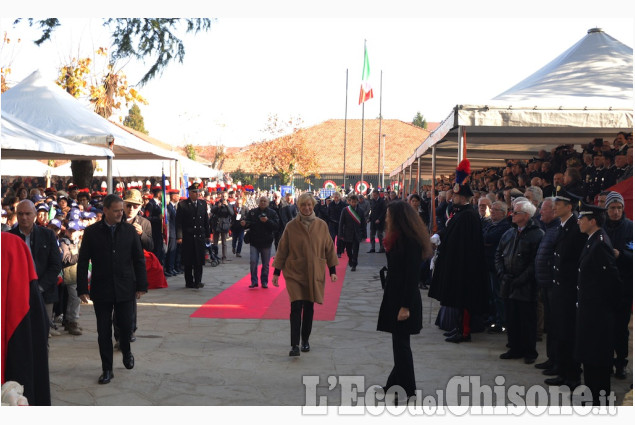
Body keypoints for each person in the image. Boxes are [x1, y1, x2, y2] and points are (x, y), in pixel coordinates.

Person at [77, 194, 148, 385]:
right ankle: (107, 368)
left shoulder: (129, 231)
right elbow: (83, 261)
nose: (120, 213)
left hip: (125, 288)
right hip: (102, 288)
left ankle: (126, 351)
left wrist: (141, 285)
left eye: (121, 210)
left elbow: (139, 259)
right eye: (116, 210)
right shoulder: (92, 232)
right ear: (105, 210)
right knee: (103, 331)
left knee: (125, 327)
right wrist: (82, 288)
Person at [376, 200, 433, 403]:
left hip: (403, 299)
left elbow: (411, 277)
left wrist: (405, 306)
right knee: (399, 344)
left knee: (401, 346)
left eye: (389, 215)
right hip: (395, 295)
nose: (386, 218)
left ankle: (409, 390)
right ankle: (393, 384)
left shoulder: (410, 241)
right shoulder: (399, 237)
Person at [428, 160, 489, 343]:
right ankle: (456, 327)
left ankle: (464, 331)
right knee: (456, 299)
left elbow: (466, 244)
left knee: (464, 301)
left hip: (465, 265)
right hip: (456, 262)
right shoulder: (461, 214)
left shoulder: (468, 216)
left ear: (462, 198)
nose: (452, 199)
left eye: (455, 197)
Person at [272, 192, 338, 356]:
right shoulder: (291, 226)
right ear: (298, 207)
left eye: (309, 205)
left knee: (309, 307)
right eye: (303, 205)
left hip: (314, 271)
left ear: (313, 206)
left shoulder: (322, 225)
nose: (307, 208)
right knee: (296, 307)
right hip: (294, 272)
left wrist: (332, 270)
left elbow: (329, 248)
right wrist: (276, 272)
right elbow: (282, 249)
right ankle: (294, 345)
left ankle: (305, 340)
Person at [575, 203, 621, 406]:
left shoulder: (600, 243)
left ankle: (600, 400)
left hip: (598, 313)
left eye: (582, 218)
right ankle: (592, 396)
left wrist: (605, 310)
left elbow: (612, 281)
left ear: (592, 221)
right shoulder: (591, 240)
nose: (579, 221)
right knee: (590, 356)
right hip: (590, 310)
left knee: (598, 359)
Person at [544, 189, 587, 390]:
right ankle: (562, 371)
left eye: (559, 204)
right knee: (559, 330)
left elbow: (576, 259)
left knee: (569, 332)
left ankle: (572, 375)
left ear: (570, 207)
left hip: (569, 288)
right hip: (559, 286)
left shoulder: (576, 228)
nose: (555, 207)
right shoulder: (564, 226)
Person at [495, 200, 544, 364]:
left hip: (526, 286)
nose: (512, 215)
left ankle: (529, 352)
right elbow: (499, 254)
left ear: (526, 215)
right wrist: (502, 273)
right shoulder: (509, 233)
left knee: (527, 320)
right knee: (512, 318)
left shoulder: (537, 234)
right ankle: (514, 348)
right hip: (508, 283)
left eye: (515, 213)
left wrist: (520, 279)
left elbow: (534, 262)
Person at [8, 200, 63, 338]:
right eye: (20, 214)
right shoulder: (9, 237)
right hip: (17, 293)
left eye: (27, 213)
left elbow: (56, 264)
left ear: (35, 215)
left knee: (42, 335)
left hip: (44, 291)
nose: (24, 217)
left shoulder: (48, 235)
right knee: (20, 336)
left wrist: (40, 287)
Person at [603, 191, 633, 380]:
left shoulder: (630, 227)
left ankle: (621, 362)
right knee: (604, 327)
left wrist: (620, 255)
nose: (615, 211)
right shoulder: (601, 226)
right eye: (612, 208)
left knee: (621, 328)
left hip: (623, 285)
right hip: (603, 284)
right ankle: (605, 361)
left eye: (619, 208)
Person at [532, 197, 561, 373]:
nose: (540, 212)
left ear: (554, 211)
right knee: (551, 325)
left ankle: (557, 360)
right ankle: (552, 358)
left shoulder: (557, 230)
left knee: (556, 326)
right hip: (545, 282)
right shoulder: (549, 228)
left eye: (543, 209)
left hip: (553, 284)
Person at [482, 201, 511, 334]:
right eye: (491, 209)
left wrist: (486, 241)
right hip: (488, 263)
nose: (492, 211)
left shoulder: (504, 226)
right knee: (491, 294)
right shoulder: (490, 224)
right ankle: (493, 317)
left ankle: (501, 321)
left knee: (498, 295)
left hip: (497, 266)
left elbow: (489, 238)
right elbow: (482, 236)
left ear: (503, 213)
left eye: (495, 210)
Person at [175, 183, 211, 289]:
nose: (197, 194)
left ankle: (198, 281)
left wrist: (208, 235)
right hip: (188, 236)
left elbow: (205, 220)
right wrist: (179, 236)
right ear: (189, 193)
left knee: (199, 260)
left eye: (198, 192)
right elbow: (179, 223)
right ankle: (189, 282)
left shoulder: (202, 204)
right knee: (188, 260)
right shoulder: (183, 205)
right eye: (194, 192)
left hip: (199, 236)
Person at [242, 196, 279, 288]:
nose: (263, 202)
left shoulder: (272, 213)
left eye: (265, 201)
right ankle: (254, 281)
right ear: (258, 202)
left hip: (266, 242)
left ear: (268, 202)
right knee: (253, 262)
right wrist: (244, 224)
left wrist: (267, 221)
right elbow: (248, 223)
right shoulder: (253, 212)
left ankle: (264, 281)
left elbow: (276, 226)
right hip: (254, 241)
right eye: (261, 201)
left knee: (265, 264)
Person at [337, 194, 364, 271]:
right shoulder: (345, 210)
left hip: (357, 233)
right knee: (348, 250)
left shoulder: (360, 211)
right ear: (349, 202)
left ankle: (354, 264)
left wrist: (363, 234)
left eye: (355, 202)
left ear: (357, 202)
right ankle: (351, 259)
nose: (354, 203)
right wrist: (340, 234)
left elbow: (363, 223)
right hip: (347, 233)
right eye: (352, 202)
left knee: (356, 250)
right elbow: (341, 223)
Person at [210, 191, 234, 262]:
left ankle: (224, 257)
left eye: (225, 196)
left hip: (224, 225)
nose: (224, 198)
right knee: (215, 242)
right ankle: (215, 256)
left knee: (224, 242)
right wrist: (218, 206)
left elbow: (232, 213)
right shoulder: (217, 203)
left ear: (227, 197)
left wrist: (226, 205)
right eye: (223, 196)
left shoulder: (229, 204)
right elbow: (212, 210)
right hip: (217, 225)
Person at [164, 189, 181, 275]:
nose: (178, 197)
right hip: (171, 233)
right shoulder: (169, 207)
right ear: (173, 196)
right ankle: (169, 268)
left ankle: (172, 267)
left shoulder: (173, 207)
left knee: (173, 252)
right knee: (171, 251)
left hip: (174, 233)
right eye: (177, 195)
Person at [327, 191, 347, 257]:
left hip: (340, 224)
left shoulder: (343, 205)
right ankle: (331, 252)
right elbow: (328, 213)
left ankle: (339, 252)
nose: (335, 198)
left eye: (337, 197)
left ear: (339, 197)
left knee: (339, 239)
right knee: (332, 238)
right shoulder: (331, 204)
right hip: (332, 223)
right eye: (334, 197)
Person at [367, 189, 386, 253]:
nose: (374, 196)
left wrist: (379, 219)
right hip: (373, 221)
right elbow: (372, 211)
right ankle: (372, 248)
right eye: (373, 195)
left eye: (375, 195)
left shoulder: (382, 201)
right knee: (372, 235)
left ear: (378, 195)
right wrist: (369, 218)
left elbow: (384, 212)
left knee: (379, 235)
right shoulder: (372, 201)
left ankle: (382, 248)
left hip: (380, 221)